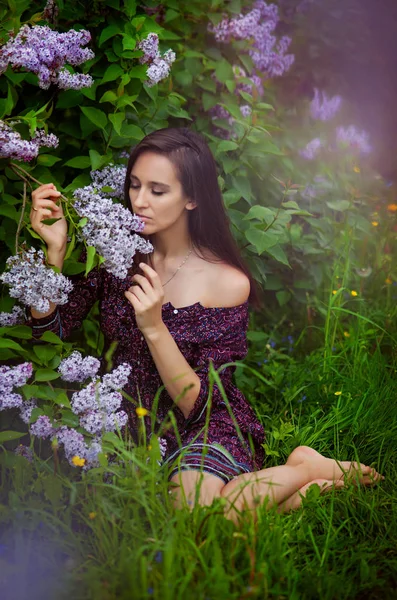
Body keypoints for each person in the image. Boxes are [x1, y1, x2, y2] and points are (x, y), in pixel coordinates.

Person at [28, 127, 384, 522]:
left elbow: (197, 403)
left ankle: (305, 469)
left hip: (204, 423)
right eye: (134, 185)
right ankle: (305, 482)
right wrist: (56, 251)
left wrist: (154, 327)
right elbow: (51, 334)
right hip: (129, 428)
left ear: (193, 198)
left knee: (197, 515)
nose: (138, 202)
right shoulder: (117, 255)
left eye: (157, 190)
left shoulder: (226, 283)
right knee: (217, 517)